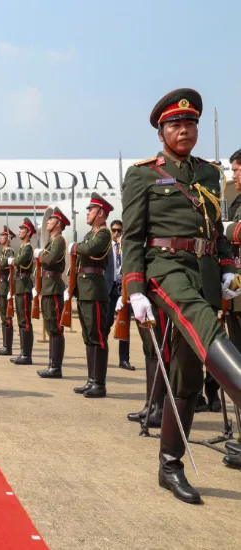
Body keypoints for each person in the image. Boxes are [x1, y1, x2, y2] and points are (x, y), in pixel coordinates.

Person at [122, 88, 241, 504]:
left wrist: (227, 268)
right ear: (161, 133)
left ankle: (169, 464)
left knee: (188, 374)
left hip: (205, 272)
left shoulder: (209, 173)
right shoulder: (143, 175)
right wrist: (134, 288)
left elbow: (216, 227)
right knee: (203, 324)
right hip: (166, 270)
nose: (184, 130)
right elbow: (133, 236)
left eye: (189, 123)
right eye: (175, 124)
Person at [68, 192, 113, 398]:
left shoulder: (103, 234)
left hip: (95, 288)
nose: (87, 213)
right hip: (85, 289)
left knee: (98, 337)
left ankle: (100, 383)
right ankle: (91, 379)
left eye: (91, 210)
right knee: (88, 337)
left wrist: (76, 247)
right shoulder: (91, 233)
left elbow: (90, 249)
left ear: (101, 214)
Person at [35, 207, 69, 378]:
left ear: (58, 224)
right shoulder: (52, 241)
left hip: (54, 286)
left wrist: (41, 254)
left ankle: (56, 367)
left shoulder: (59, 241)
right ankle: (51, 365)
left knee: (56, 328)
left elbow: (50, 259)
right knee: (50, 327)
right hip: (48, 287)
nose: (47, 221)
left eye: (51, 220)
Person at [107, 219, 134, 370]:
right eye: (114, 230)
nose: (116, 233)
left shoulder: (126, 248)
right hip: (111, 288)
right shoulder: (107, 247)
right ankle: (101, 354)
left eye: (119, 230)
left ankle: (124, 359)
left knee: (124, 324)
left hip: (123, 289)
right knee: (107, 322)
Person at [10, 218, 36, 365]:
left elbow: (18, 262)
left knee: (25, 321)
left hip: (24, 285)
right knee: (21, 320)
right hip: (20, 285)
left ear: (28, 232)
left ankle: (27, 355)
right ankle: (23, 352)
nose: (19, 231)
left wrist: (14, 260)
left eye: (22, 229)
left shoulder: (27, 248)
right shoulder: (23, 247)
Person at [0, 227, 16, 356]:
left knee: (7, 316)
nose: (0, 238)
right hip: (0, 286)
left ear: (7, 238)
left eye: (3, 236)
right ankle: (5, 345)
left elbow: (8, 266)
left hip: (6, 285)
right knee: (3, 315)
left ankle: (8, 347)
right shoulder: (2, 252)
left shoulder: (10, 251)